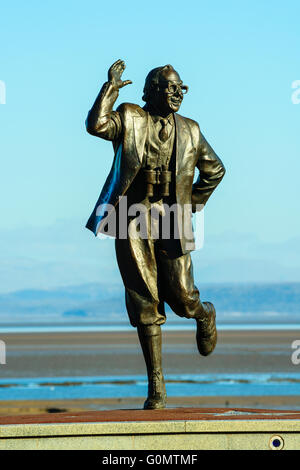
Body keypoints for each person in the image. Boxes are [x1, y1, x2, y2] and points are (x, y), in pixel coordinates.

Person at [85, 59, 226, 409]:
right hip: (131, 218)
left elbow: (215, 170)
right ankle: (156, 387)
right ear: (152, 91)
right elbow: (96, 125)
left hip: (172, 217)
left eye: (182, 88)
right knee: (143, 300)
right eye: (171, 87)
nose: (178, 93)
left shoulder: (190, 130)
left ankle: (203, 312)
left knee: (181, 296)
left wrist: (192, 203)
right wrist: (111, 89)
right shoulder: (130, 117)